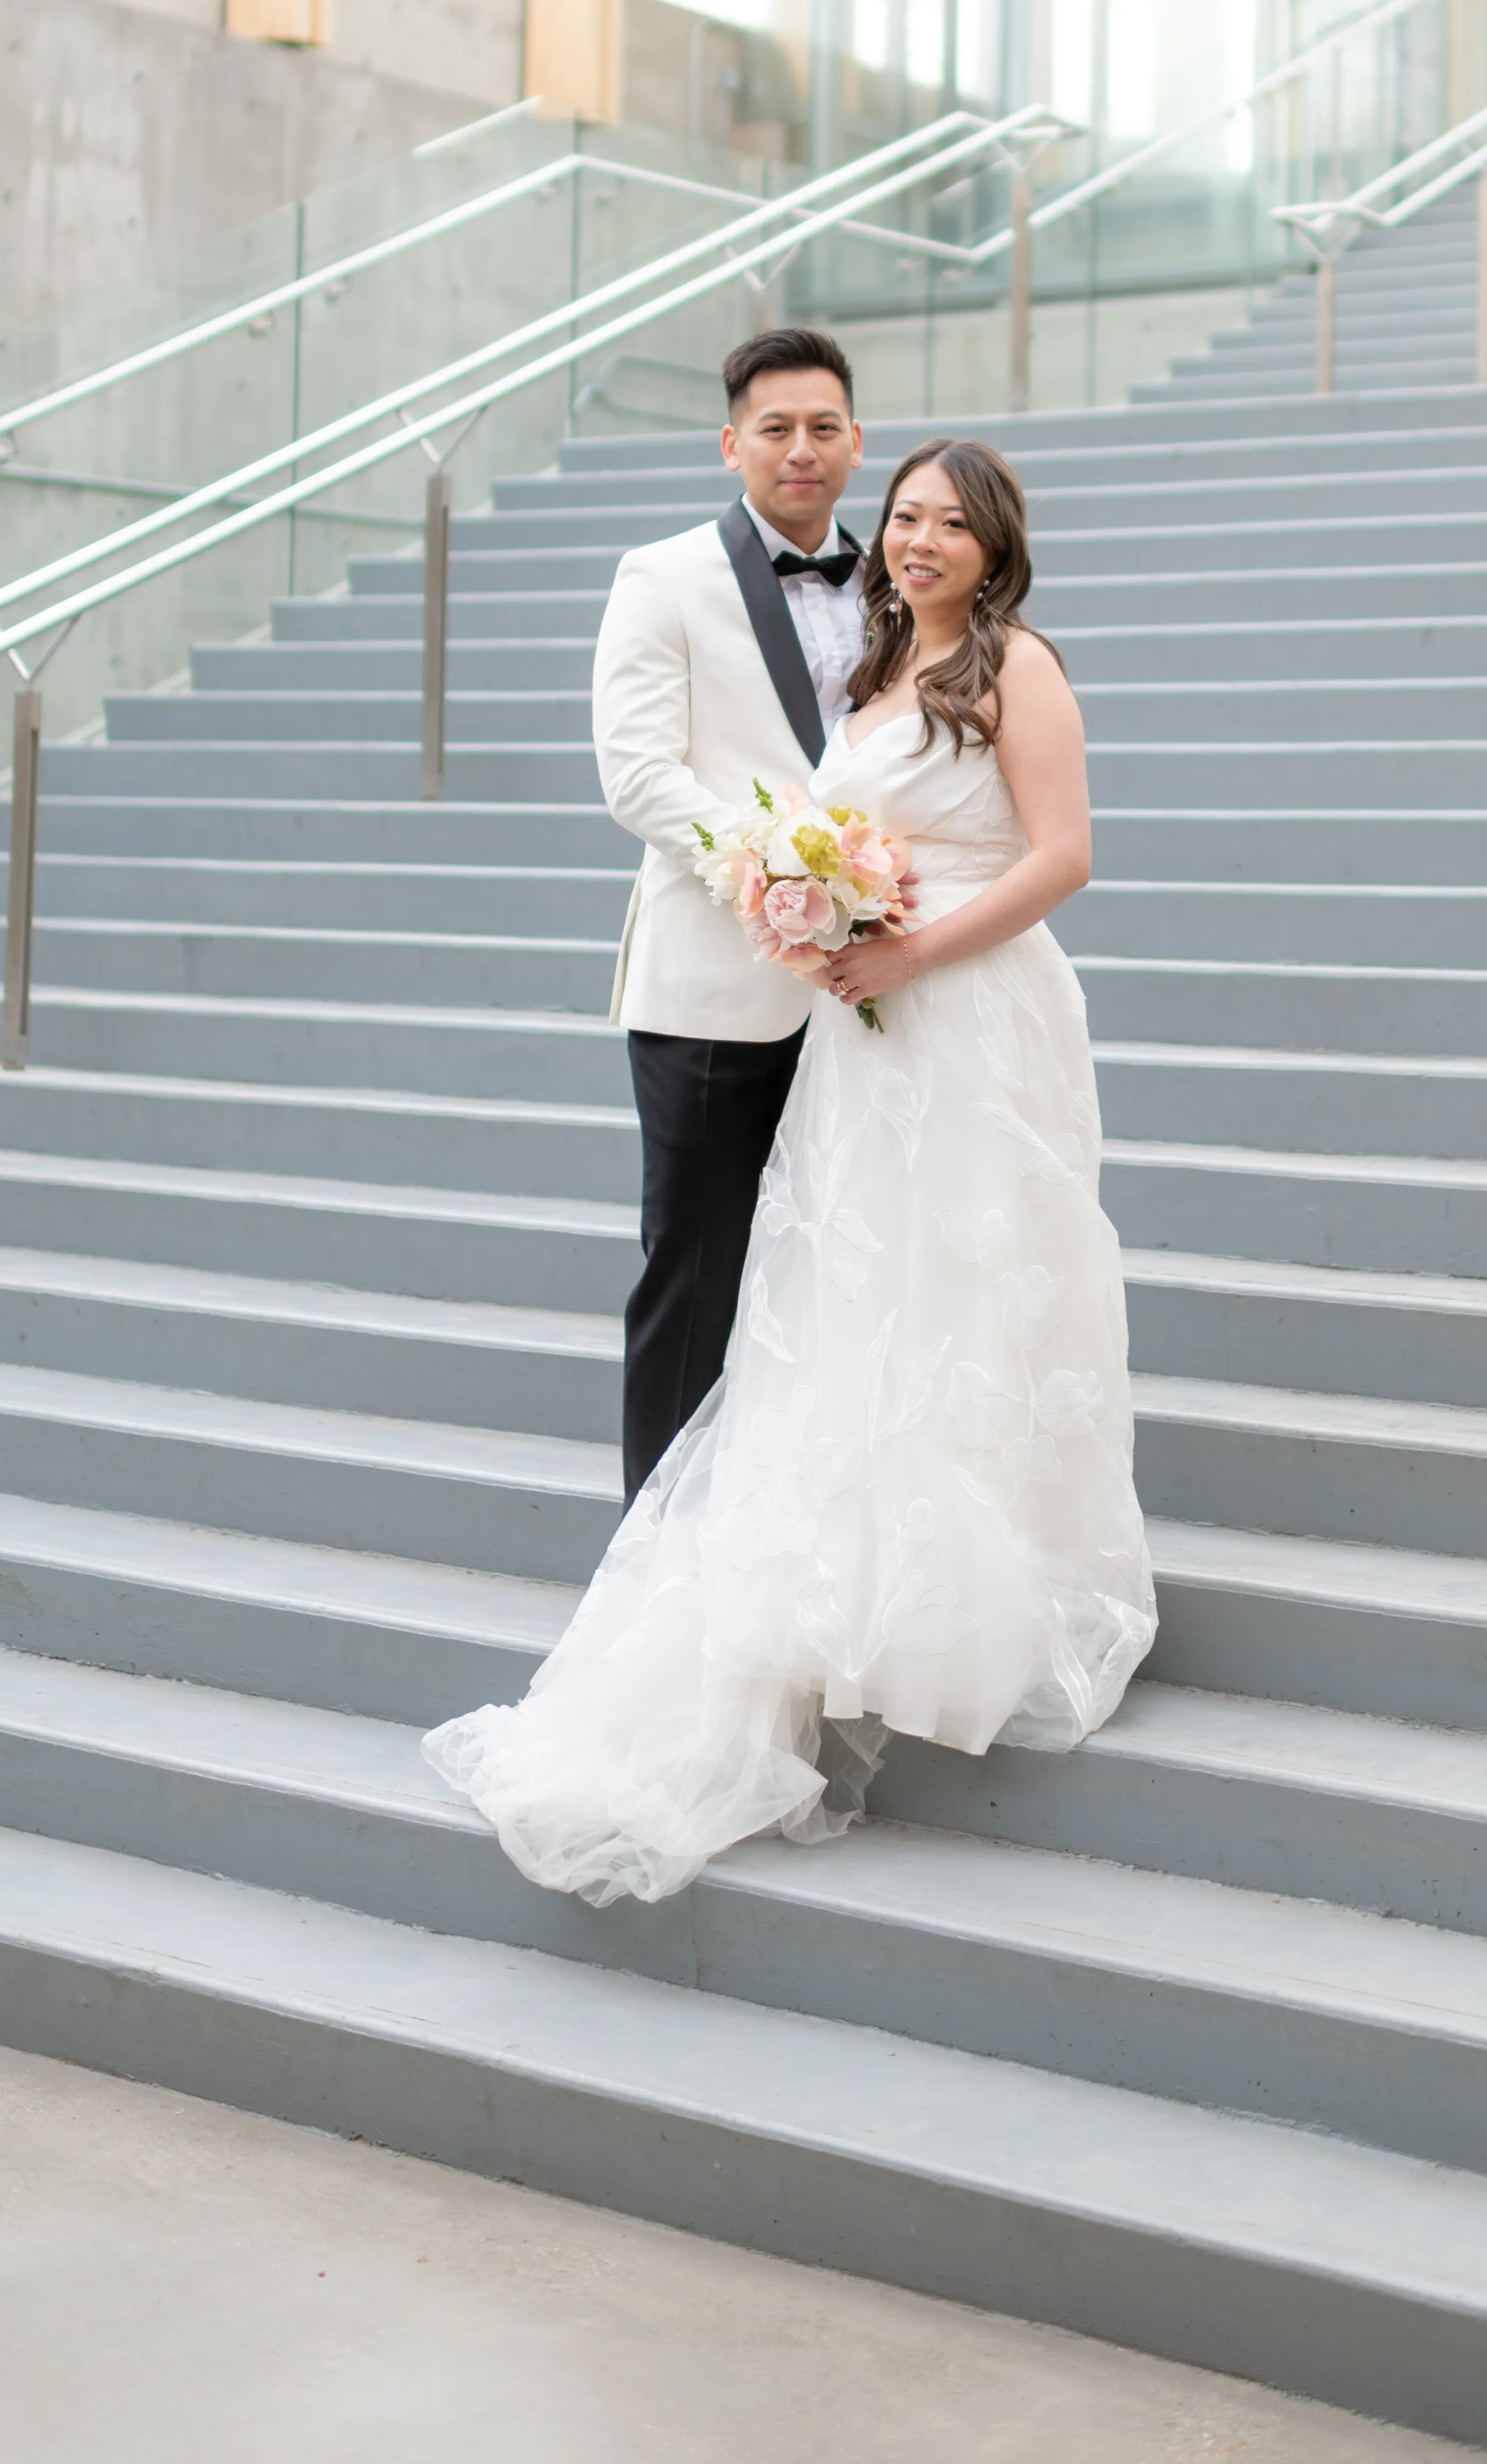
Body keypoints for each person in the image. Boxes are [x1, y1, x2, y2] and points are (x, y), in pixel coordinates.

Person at [424, 434, 1155, 1907]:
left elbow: (1062, 854)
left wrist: (905, 946)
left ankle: (971, 1584)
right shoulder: (879, 676)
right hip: (871, 1031)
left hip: (978, 1010)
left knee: (970, 1274)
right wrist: (815, 912)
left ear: (998, 544)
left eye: (953, 523)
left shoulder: (1017, 666)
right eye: (908, 517)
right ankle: (851, 1575)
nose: (920, 540)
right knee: (851, 1282)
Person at [588, 325, 872, 1504]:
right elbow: (638, 774)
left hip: (874, 997)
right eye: (775, 429)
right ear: (732, 444)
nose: (800, 450)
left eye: (822, 428)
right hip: (713, 988)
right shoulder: (662, 579)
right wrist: (779, 875)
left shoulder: (904, 579)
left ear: (856, 442)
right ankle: (653, 1558)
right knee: (694, 1276)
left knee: (843, 1275)